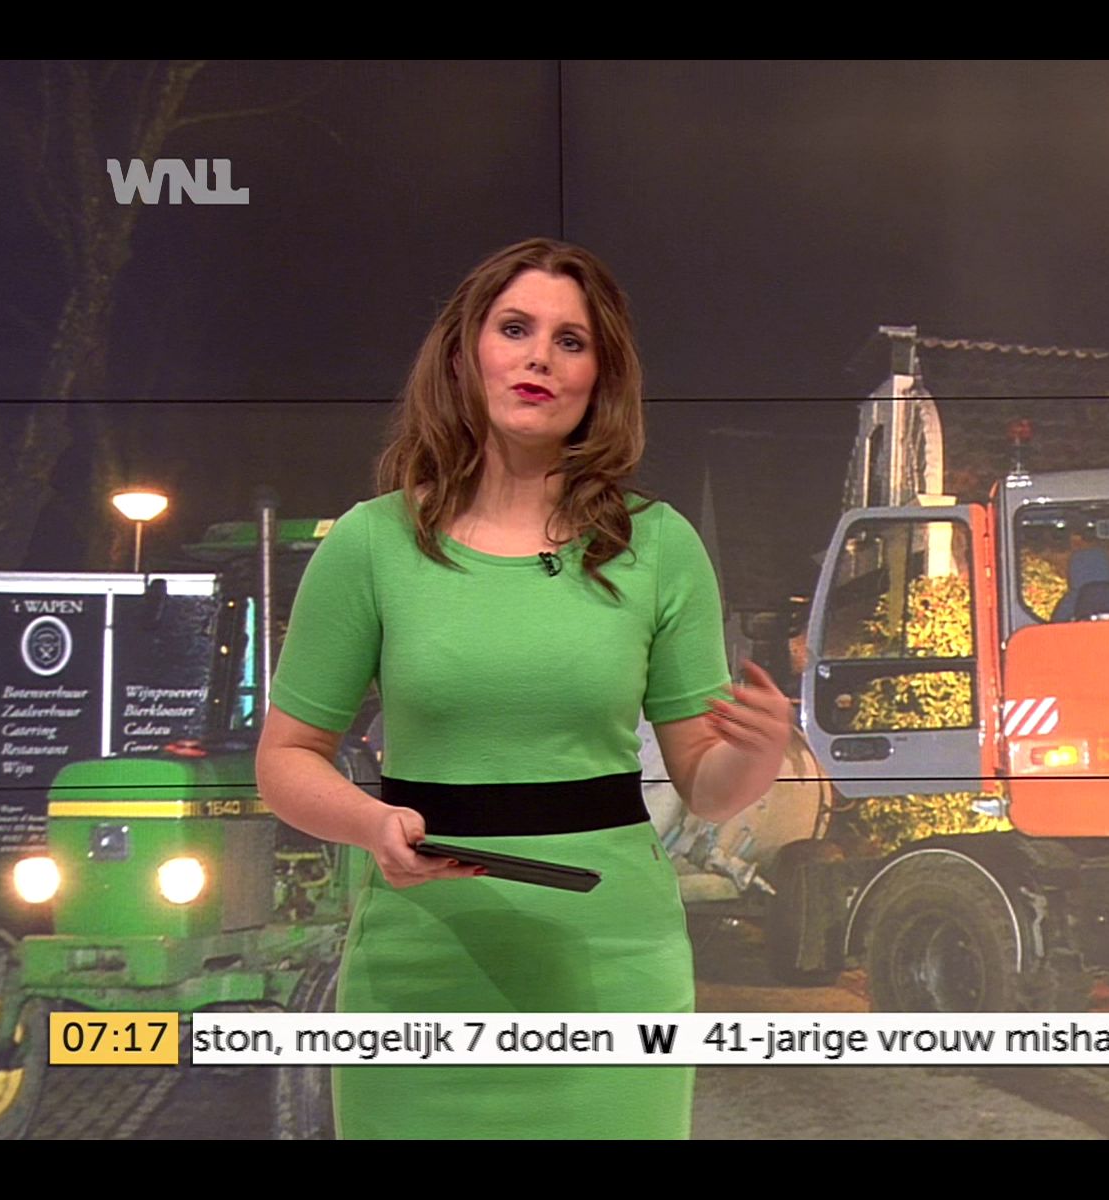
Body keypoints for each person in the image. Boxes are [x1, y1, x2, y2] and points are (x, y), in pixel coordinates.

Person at [254, 237, 792, 1139]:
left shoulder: (660, 546)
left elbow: (705, 784)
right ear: (464, 354)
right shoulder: (370, 545)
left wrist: (758, 755)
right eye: (515, 329)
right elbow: (286, 759)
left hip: (611, 967)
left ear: (599, 379)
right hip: (420, 968)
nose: (540, 356)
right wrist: (370, 823)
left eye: (570, 341)